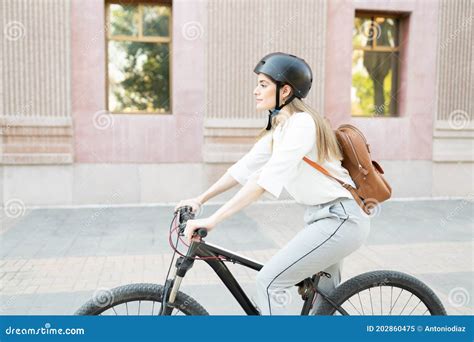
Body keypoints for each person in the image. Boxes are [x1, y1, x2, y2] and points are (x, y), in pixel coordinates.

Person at [175, 52, 371, 315]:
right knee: (322, 308)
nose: (256, 91)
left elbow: (263, 181)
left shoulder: (302, 125)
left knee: (268, 282)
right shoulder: (282, 127)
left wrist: (213, 220)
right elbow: (245, 168)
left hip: (341, 220)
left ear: (285, 90)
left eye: (263, 84)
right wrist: (200, 199)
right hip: (324, 220)